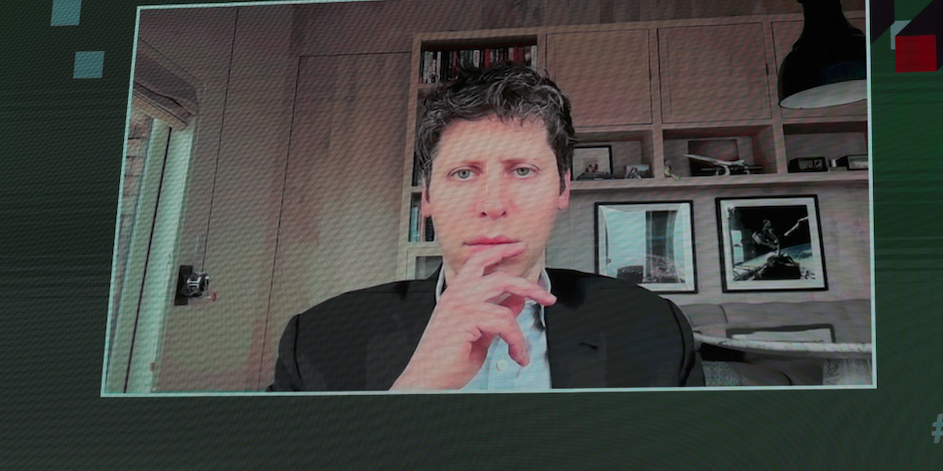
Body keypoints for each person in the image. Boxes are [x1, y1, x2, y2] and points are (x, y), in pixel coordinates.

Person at [269, 63, 703, 391]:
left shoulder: (655, 328)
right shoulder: (320, 339)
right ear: (428, 198)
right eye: (463, 173)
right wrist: (411, 394)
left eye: (522, 171)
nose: (493, 205)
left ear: (562, 189)